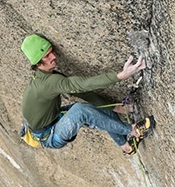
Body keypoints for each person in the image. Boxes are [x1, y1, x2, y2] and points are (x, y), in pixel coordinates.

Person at [21, 34, 154, 154]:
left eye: (52, 52)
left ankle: (126, 146)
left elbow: (82, 92)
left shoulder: (48, 76)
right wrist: (120, 75)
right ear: (38, 63)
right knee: (80, 110)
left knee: (101, 108)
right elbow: (84, 84)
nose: (54, 56)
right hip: (50, 136)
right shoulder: (48, 83)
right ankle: (134, 130)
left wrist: (114, 107)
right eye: (47, 56)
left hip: (54, 120)